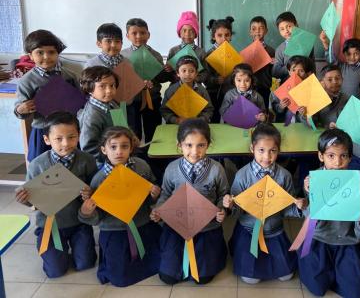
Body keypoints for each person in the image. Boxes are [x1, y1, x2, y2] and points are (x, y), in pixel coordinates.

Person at [15, 112, 97, 278]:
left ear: (79, 136)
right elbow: (32, 200)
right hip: (50, 226)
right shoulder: (37, 165)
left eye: (71, 137)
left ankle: (78, 247)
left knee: (85, 264)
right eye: (58, 139)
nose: (66, 144)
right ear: (47, 140)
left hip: (79, 222)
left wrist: (90, 193)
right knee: (55, 271)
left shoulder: (87, 160)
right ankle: (54, 252)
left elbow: (96, 189)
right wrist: (24, 199)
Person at [224, 123, 306, 284]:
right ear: (252, 148)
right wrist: (230, 205)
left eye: (272, 151)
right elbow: (237, 210)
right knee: (250, 279)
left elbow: (286, 209)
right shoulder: (242, 175)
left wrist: (298, 207)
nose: (267, 157)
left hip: (274, 231)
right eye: (261, 150)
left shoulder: (284, 176)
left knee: (287, 275)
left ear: (279, 151)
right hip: (249, 231)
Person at [79, 126, 162, 287]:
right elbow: (97, 218)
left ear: (131, 148)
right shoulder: (99, 179)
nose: (119, 152)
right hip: (115, 229)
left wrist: (154, 194)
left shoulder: (141, 166)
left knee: (161, 262)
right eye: (113, 147)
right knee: (119, 279)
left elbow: (150, 194)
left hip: (142, 223)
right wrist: (88, 210)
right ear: (104, 149)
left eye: (124, 146)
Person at [150, 118, 229, 284]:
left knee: (203, 278)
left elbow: (223, 194)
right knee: (168, 276)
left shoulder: (216, 169)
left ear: (208, 144)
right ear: (179, 145)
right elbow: (165, 193)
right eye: (189, 145)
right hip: (177, 226)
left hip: (206, 227)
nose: (194, 151)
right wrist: (159, 210)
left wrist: (222, 209)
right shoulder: (172, 168)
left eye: (201, 145)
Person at [299, 129, 360, 298]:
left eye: (343, 156)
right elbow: (308, 219)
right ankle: (325, 270)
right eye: (331, 156)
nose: (337, 162)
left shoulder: (357, 183)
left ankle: (340, 270)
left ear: (350, 157)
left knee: (354, 292)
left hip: (347, 241)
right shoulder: (313, 180)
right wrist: (308, 192)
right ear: (321, 156)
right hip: (318, 239)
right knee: (316, 288)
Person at [14, 29, 78, 161]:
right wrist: (21, 109)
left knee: (71, 163)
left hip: (67, 130)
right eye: (40, 52)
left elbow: (79, 101)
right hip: (42, 130)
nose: (46, 57)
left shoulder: (69, 76)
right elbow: (20, 109)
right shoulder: (27, 81)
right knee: (42, 166)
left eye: (51, 52)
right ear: (30, 56)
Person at [121, 18, 169, 142]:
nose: (139, 36)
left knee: (153, 131)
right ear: (127, 36)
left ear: (148, 34)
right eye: (134, 33)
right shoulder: (123, 56)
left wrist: (164, 71)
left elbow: (162, 79)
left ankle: (152, 158)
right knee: (133, 131)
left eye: (143, 33)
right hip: (132, 101)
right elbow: (120, 81)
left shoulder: (156, 55)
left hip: (152, 98)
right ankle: (137, 157)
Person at [77, 66, 120, 161]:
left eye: (112, 85)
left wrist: (131, 137)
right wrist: (112, 157)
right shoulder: (91, 116)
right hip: (104, 163)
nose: (109, 90)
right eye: (102, 86)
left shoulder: (113, 104)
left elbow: (122, 126)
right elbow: (88, 149)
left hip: (119, 153)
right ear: (89, 89)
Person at [161, 56, 214, 124]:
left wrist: (201, 119)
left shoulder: (202, 90)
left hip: (197, 125)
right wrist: (176, 120)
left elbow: (208, 109)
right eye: (184, 71)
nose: (188, 74)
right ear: (177, 73)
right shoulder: (171, 90)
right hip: (176, 125)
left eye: (191, 71)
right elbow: (165, 110)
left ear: (196, 73)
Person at [204, 16, 235, 121]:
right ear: (213, 37)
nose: (224, 38)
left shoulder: (234, 53)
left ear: (231, 36)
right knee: (214, 119)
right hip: (213, 93)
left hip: (230, 92)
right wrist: (216, 80)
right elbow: (205, 76)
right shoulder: (209, 54)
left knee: (230, 119)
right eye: (219, 35)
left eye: (227, 35)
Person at [166, 11, 209, 84]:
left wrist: (196, 79)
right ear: (179, 33)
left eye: (191, 31)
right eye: (184, 31)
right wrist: (169, 70)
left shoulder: (201, 52)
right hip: (176, 87)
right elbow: (168, 74)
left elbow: (205, 73)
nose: (187, 34)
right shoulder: (173, 51)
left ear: (196, 34)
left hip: (195, 87)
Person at [270, 55, 314, 123]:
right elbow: (273, 110)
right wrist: (280, 106)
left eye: (301, 71)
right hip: (284, 125)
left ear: (307, 73)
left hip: (302, 126)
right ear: (289, 71)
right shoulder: (280, 88)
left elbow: (315, 117)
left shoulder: (312, 91)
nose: (296, 74)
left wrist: (305, 113)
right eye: (293, 70)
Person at [249, 16, 275, 108]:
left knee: (263, 112)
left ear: (266, 31)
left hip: (265, 87)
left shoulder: (271, 51)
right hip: (249, 88)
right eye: (254, 29)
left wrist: (274, 63)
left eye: (261, 28)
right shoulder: (246, 51)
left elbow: (274, 72)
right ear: (250, 32)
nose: (257, 31)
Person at [313, 63, 349, 129]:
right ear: (322, 82)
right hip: (322, 134)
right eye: (330, 79)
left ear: (342, 79)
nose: (335, 82)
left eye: (338, 78)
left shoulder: (346, 98)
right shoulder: (317, 99)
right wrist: (327, 126)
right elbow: (313, 123)